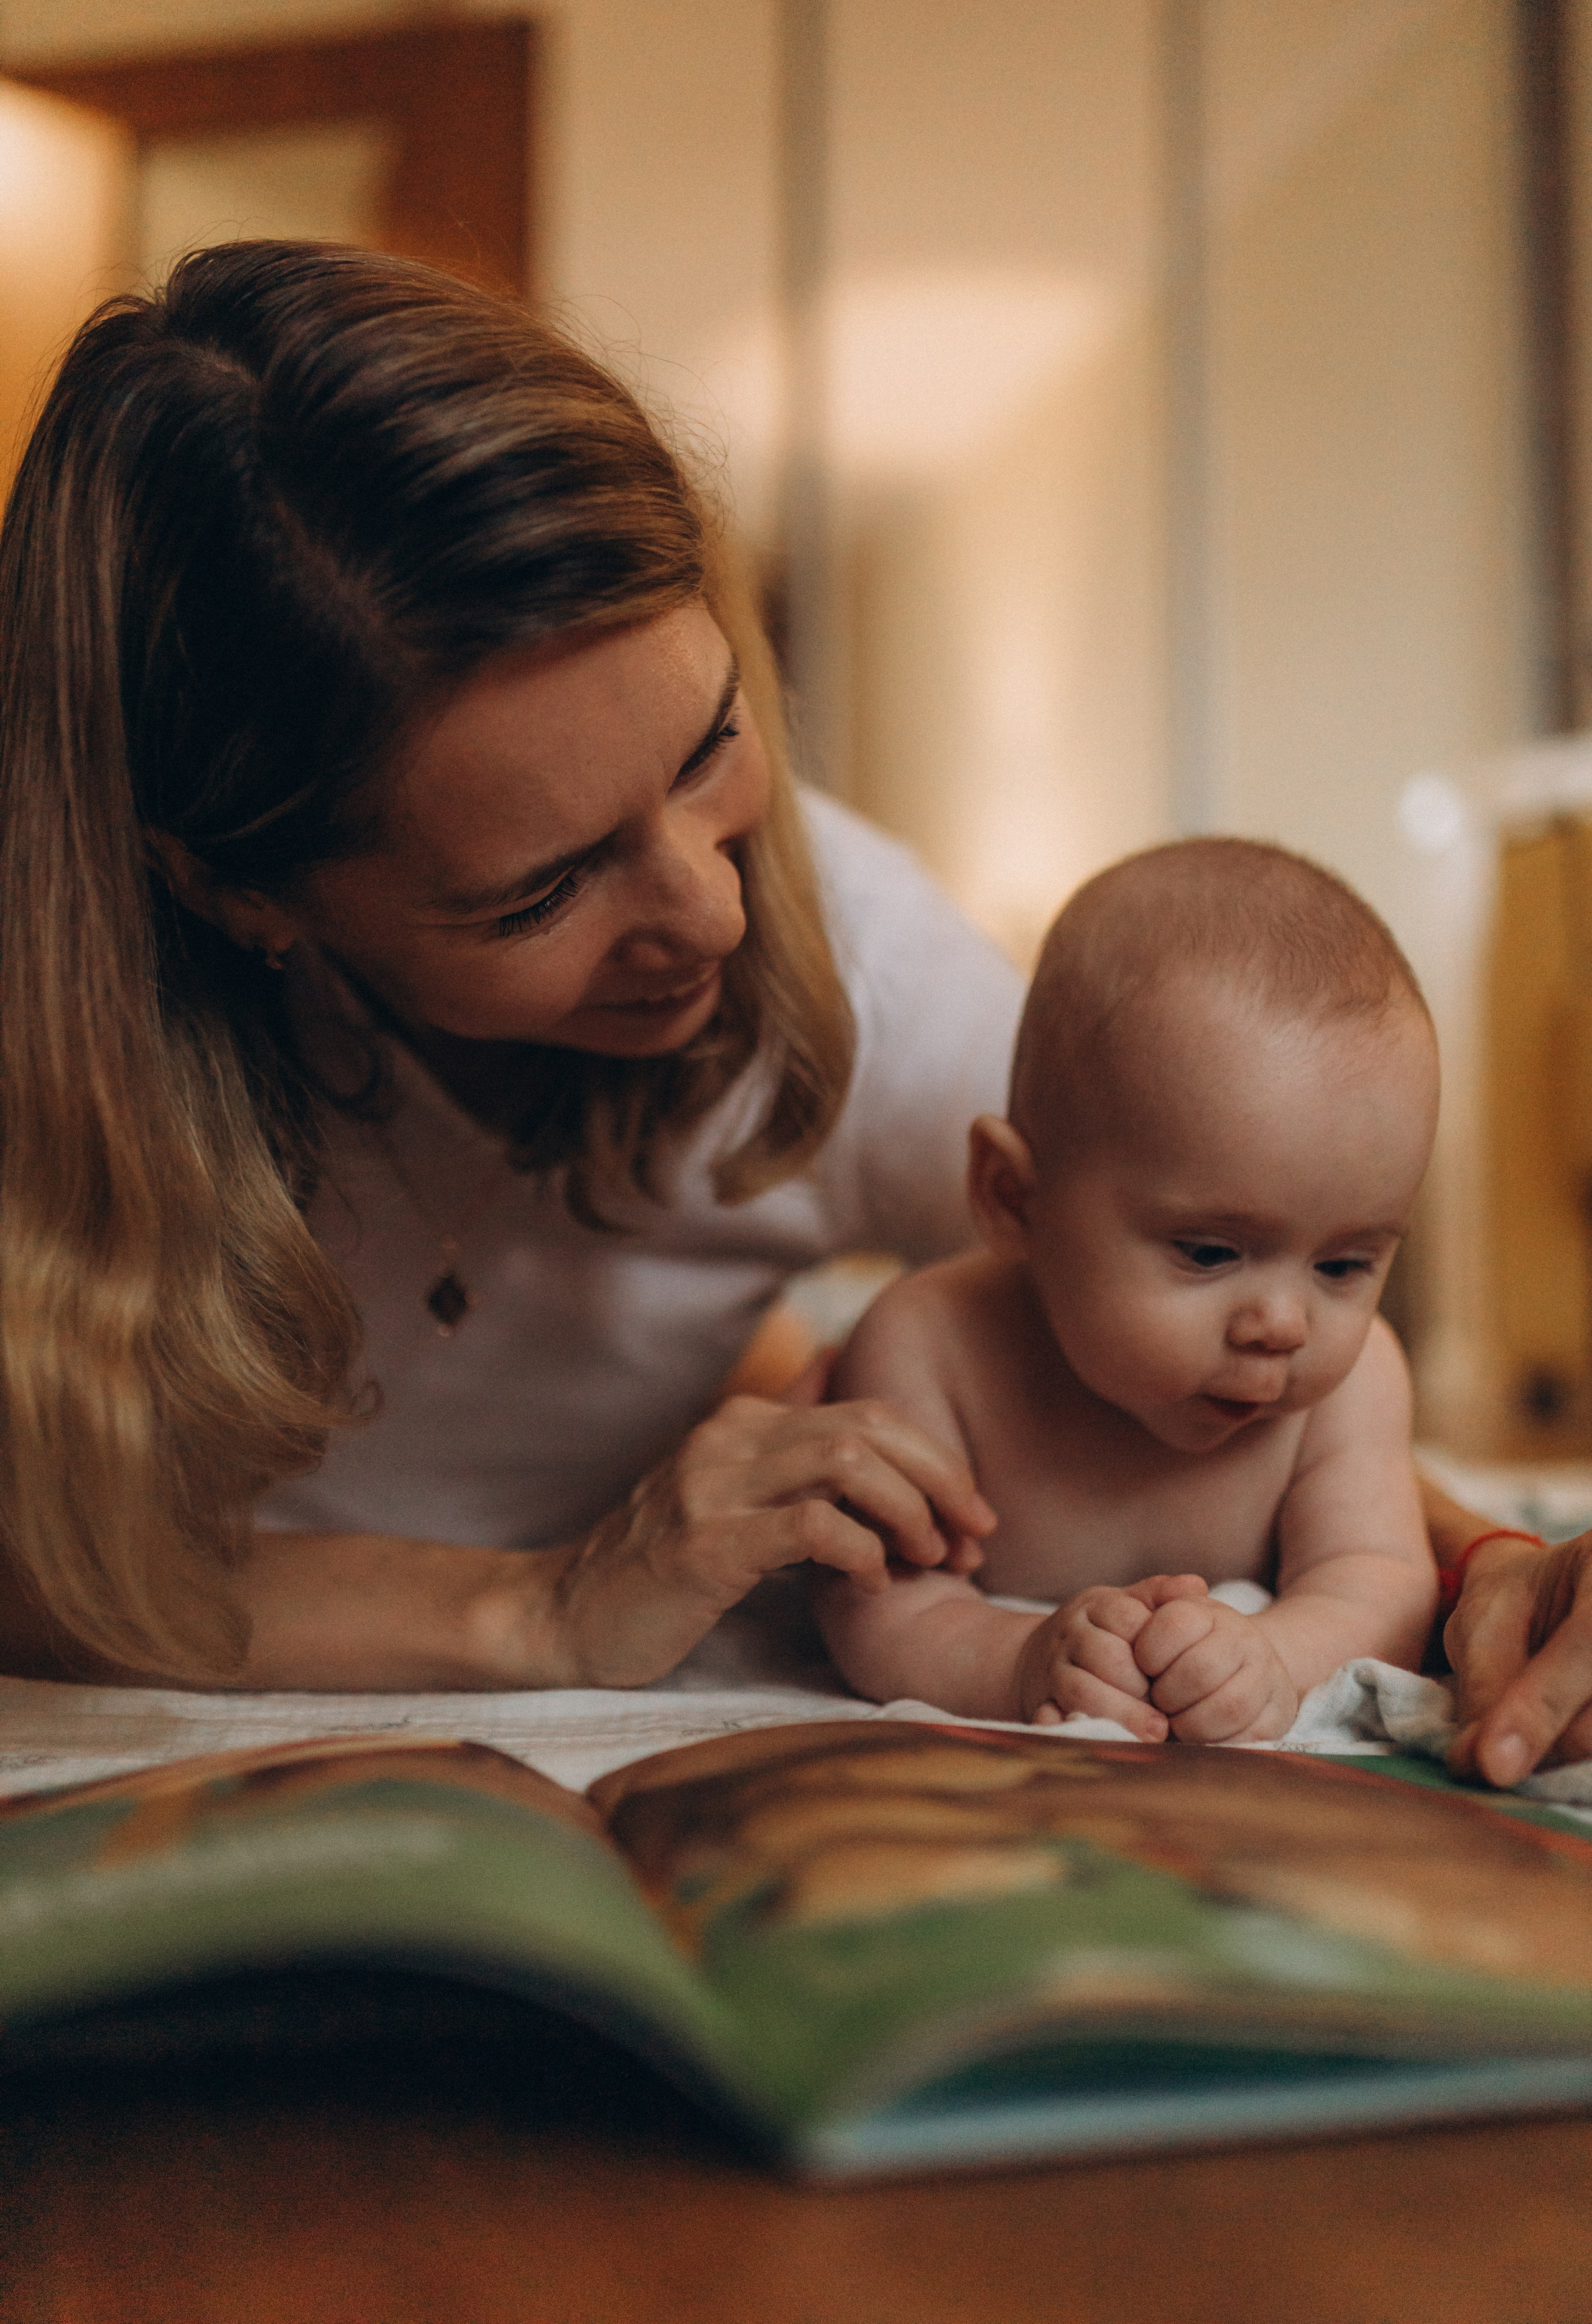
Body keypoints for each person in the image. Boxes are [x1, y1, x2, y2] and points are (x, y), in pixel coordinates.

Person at [0, 241, 1588, 1787]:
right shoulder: (58, 1053)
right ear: (235, 896)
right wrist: (543, 1605)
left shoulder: (865, 964)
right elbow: (45, 1570)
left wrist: (1499, 1566)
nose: (714, 910)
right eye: (541, 889)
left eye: (706, 748)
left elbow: (1232, 1309)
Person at [816, 840, 1441, 1737]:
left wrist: (1276, 1659)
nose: (1282, 1323)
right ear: (1013, 1197)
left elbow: (1378, 1582)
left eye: (1345, 1265)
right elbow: (876, 1608)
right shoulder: (929, 1347)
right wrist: (1016, 1661)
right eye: (1210, 1253)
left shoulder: (1355, 1384)